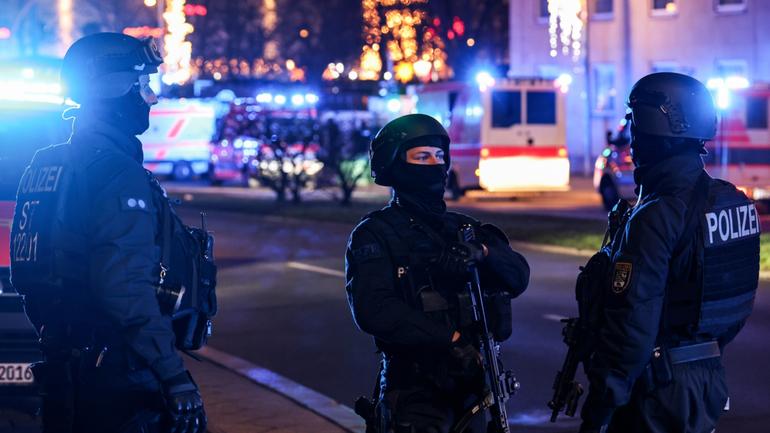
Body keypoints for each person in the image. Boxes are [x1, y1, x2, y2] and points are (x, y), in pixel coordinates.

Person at [10, 33, 206, 433]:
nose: (151, 98)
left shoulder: (47, 165)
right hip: (120, 375)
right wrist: (172, 375)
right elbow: (125, 288)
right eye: (143, 85)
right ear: (114, 89)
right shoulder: (115, 172)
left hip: (68, 364)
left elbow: (28, 269)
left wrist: (62, 335)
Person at [579, 72, 760, 433]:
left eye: (636, 127)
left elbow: (631, 328)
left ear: (653, 132)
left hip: (655, 394)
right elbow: (733, 307)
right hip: (705, 381)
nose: (633, 141)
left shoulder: (656, 216)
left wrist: (600, 407)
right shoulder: (732, 203)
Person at [345, 114, 530, 433]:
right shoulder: (375, 234)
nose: (434, 163)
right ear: (395, 164)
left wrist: (484, 253)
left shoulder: (464, 228)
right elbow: (373, 310)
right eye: (421, 156)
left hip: (474, 393)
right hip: (415, 395)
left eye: (439, 155)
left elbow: (518, 277)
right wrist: (450, 340)